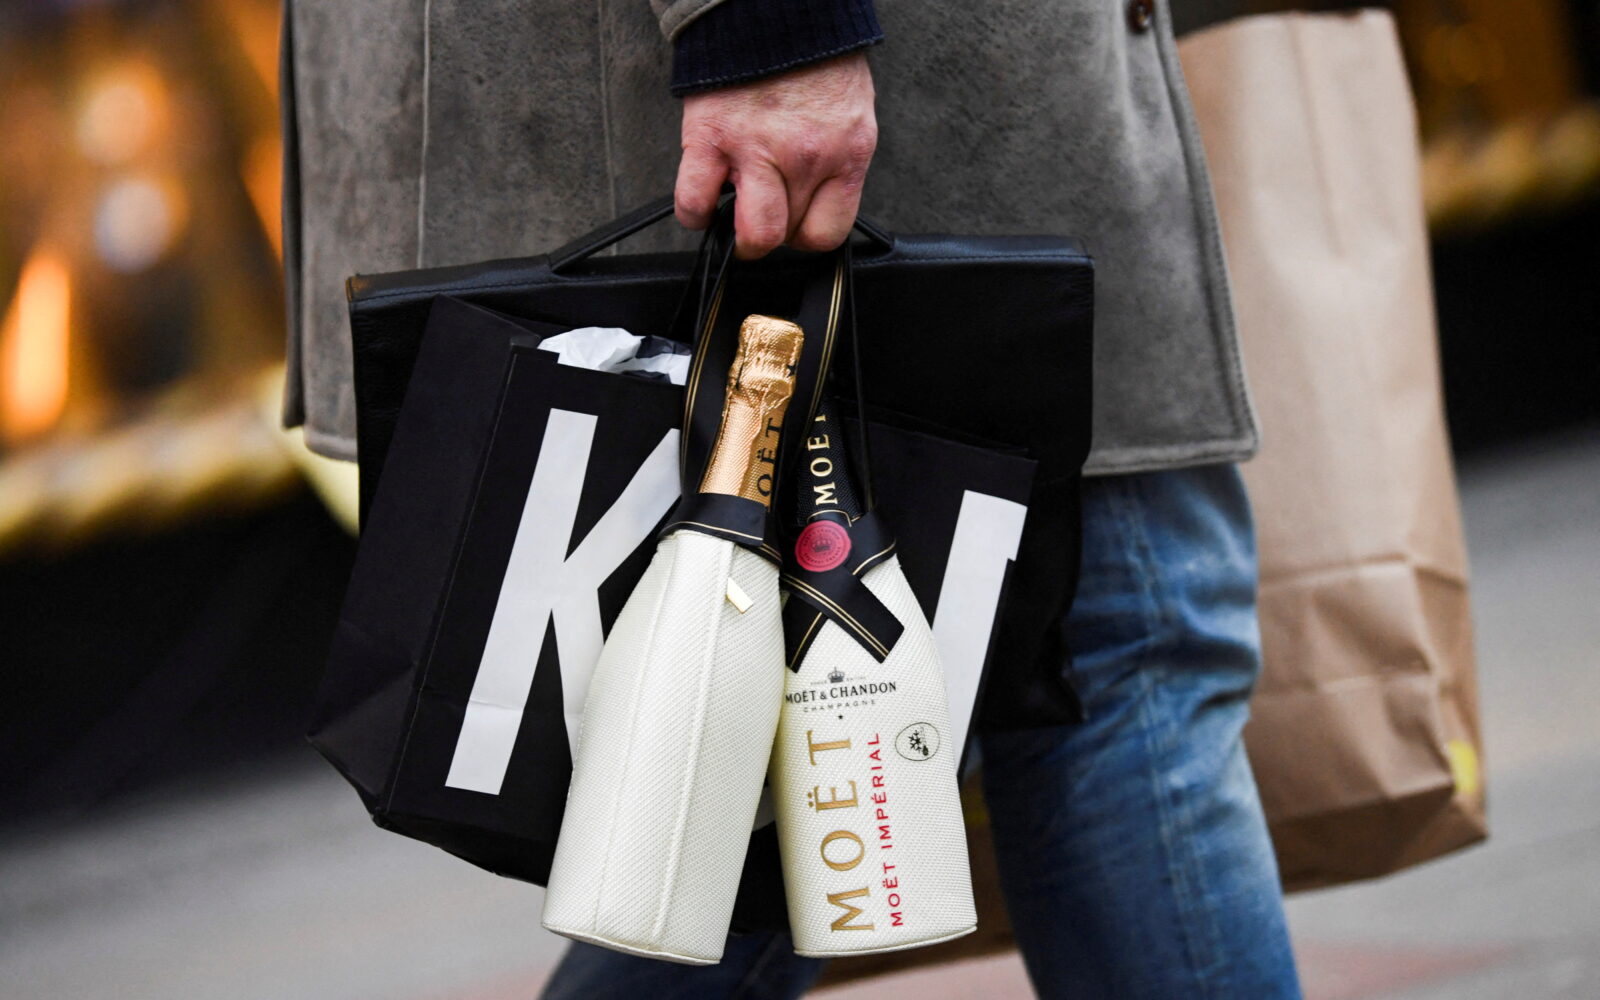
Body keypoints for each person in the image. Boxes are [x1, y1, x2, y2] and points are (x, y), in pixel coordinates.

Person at [281, 0, 1303, 996]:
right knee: (1115, 653)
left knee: (739, 768)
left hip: (791, 109)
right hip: (809, 100)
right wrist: (770, 31)